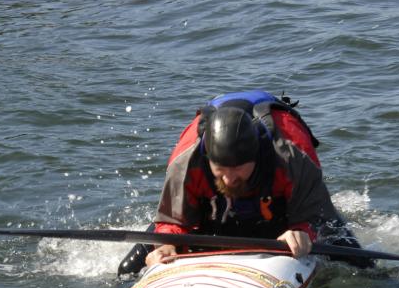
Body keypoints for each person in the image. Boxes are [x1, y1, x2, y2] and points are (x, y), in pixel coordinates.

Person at [117, 90, 367, 276]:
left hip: (281, 211)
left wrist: (303, 231)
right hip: (209, 206)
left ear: (255, 159)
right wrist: (167, 245)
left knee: (364, 266)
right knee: (127, 270)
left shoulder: (293, 157)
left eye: (237, 169)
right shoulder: (186, 163)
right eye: (220, 170)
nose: (228, 179)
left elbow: (313, 213)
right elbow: (173, 221)